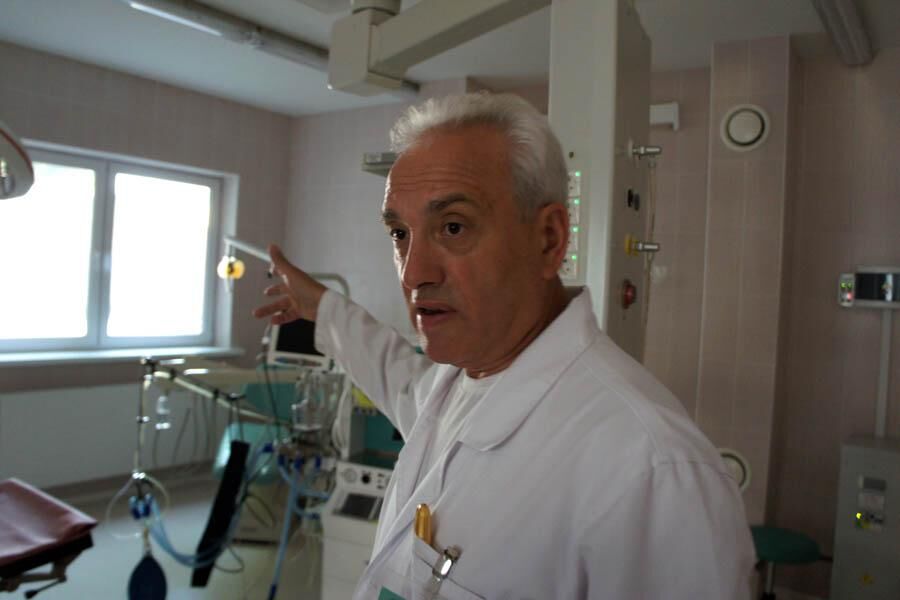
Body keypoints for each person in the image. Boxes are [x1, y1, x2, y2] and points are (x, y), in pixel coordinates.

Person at [255, 93, 755, 599]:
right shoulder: (463, 381)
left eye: (453, 226)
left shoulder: (652, 472)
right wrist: (321, 306)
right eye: (400, 233)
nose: (413, 273)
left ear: (548, 239)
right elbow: (396, 376)